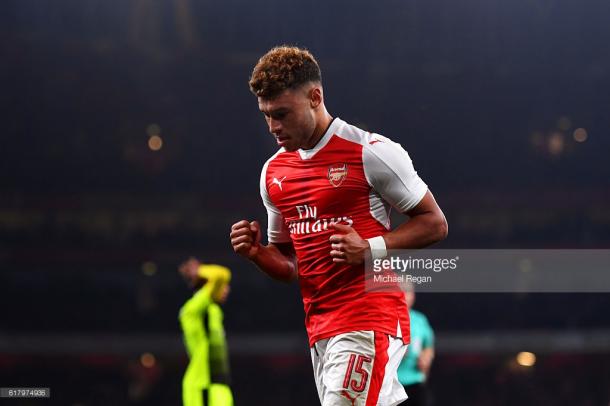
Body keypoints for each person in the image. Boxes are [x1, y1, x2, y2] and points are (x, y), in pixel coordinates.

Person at [229, 45, 448, 406]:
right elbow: (290, 266)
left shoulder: (371, 151)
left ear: (315, 97)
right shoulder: (274, 172)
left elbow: (435, 223)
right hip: (320, 327)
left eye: (282, 113)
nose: (273, 127)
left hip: (368, 316)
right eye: (266, 115)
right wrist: (256, 254)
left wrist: (371, 248)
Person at [178, 258, 233, 406]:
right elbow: (222, 274)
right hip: (202, 385)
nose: (226, 289)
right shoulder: (192, 310)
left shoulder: (214, 311)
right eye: (221, 286)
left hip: (220, 383)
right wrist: (200, 271)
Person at [397, 284, 435, 406]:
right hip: (394, 384)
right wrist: (397, 353)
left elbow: (428, 346)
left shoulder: (420, 320)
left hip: (415, 381)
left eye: (409, 292)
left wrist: (426, 357)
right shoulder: (388, 319)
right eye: (402, 292)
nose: (406, 296)